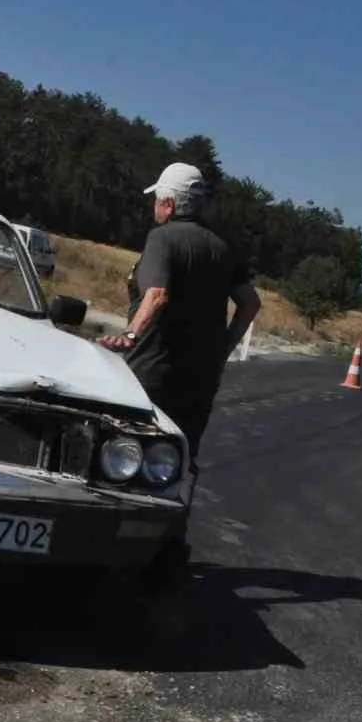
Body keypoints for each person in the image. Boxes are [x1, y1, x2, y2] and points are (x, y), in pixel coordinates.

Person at [98, 162, 260, 582]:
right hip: (201, 377)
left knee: (126, 450)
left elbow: (157, 293)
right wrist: (223, 348)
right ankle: (171, 544)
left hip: (152, 372)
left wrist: (130, 336)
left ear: (168, 203)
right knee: (184, 459)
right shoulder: (223, 249)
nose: (154, 206)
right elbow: (250, 304)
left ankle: (115, 542)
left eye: (157, 199)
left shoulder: (163, 239)